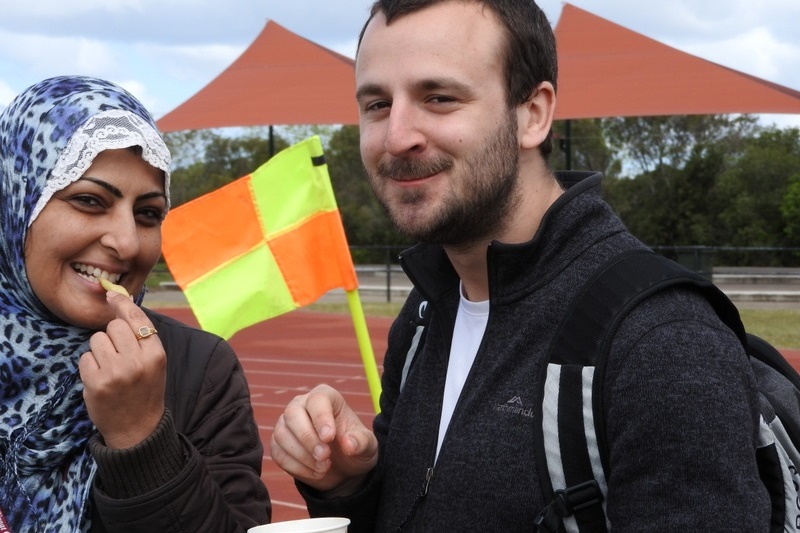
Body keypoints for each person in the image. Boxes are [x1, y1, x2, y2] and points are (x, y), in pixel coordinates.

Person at [269, 0, 773, 531]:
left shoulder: (661, 341)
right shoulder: (423, 315)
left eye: (438, 98)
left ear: (532, 114)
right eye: (376, 104)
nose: (397, 137)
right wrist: (351, 482)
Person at [0, 75, 270, 532]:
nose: (126, 244)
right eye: (89, 201)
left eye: (148, 213)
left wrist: (141, 437)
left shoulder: (200, 369)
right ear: (16, 204)